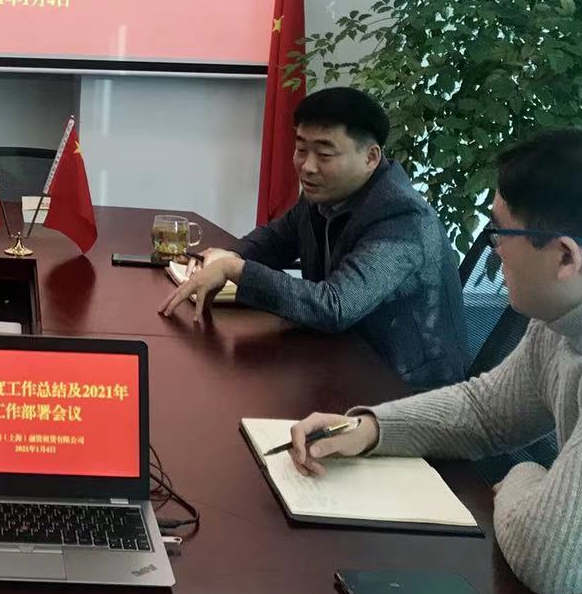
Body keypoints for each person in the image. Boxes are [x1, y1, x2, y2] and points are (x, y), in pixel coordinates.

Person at [286, 130, 582, 594]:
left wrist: (526, 475)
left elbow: (552, 560)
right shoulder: (573, 311)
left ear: (565, 257)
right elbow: (487, 411)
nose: (494, 250)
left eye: (501, 233)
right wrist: (370, 428)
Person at [160, 86, 467, 389]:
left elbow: (335, 306)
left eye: (324, 154)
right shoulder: (324, 196)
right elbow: (274, 240)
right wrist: (231, 255)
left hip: (406, 387)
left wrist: (234, 269)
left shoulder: (401, 218)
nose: (307, 167)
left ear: (371, 157)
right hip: (340, 358)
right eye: (301, 149)